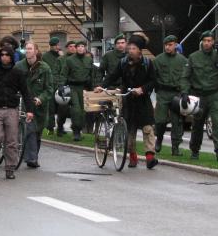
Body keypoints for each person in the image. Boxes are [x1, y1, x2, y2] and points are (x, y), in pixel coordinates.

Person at [96, 33, 159, 169]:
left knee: (148, 129)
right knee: (129, 131)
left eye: (133, 48)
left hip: (143, 101)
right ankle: (132, 157)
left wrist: (142, 88)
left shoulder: (148, 63)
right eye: (129, 48)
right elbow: (113, 76)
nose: (130, 51)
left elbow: (153, 81)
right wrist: (103, 86)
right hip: (128, 100)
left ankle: (150, 157)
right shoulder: (123, 62)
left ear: (140, 51)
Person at [0, 46, 35, 180]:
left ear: (11, 57)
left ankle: (10, 168)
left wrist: (30, 110)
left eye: (7, 55)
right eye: (2, 55)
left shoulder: (17, 73)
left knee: (11, 141)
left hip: (11, 110)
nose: (4, 57)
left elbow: (26, 92)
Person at [182, 30, 218, 161]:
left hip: (214, 94)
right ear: (202, 42)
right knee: (197, 124)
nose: (207, 43)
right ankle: (195, 150)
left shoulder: (217, 55)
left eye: (210, 41)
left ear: (213, 42)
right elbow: (185, 77)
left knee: (216, 122)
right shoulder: (193, 57)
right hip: (199, 95)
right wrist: (185, 92)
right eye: (205, 41)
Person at [15, 42, 54, 168]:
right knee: (29, 129)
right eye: (26, 49)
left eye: (30, 49)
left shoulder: (45, 68)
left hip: (39, 106)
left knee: (37, 133)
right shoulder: (19, 67)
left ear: (36, 51)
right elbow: (12, 84)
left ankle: (33, 157)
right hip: (25, 104)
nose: (27, 51)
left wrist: (41, 98)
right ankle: (30, 158)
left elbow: (49, 89)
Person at [153, 35, 187, 156]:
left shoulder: (183, 60)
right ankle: (159, 138)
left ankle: (175, 148)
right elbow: (153, 76)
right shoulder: (158, 60)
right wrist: (155, 87)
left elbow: (185, 78)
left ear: (175, 45)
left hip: (176, 93)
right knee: (160, 120)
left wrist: (185, 92)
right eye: (166, 45)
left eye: (170, 45)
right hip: (163, 92)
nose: (168, 47)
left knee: (176, 122)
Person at [63, 40, 94, 141]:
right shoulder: (70, 60)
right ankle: (76, 132)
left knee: (83, 111)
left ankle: (79, 130)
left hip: (84, 88)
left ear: (85, 48)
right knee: (76, 109)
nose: (81, 48)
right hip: (73, 87)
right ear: (76, 48)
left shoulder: (88, 60)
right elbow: (64, 74)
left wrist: (94, 87)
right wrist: (61, 87)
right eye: (79, 46)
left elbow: (92, 74)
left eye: (83, 46)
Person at [41, 37, 63, 135]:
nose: (58, 47)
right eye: (56, 45)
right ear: (52, 46)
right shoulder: (45, 56)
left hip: (60, 84)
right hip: (50, 84)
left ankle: (60, 128)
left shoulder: (62, 56)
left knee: (62, 107)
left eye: (58, 45)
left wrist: (62, 57)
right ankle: (50, 128)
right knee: (51, 108)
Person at [55, 41, 76, 136]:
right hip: (65, 87)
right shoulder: (61, 59)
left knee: (77, 109)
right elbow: (56, 73)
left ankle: (76, 130)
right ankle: (60, 127)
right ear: (67, 48)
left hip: (76, 87)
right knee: (63, 109)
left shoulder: (79, 59)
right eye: (70, 46)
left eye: (74, 46)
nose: (73, 48)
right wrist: (59, 86)